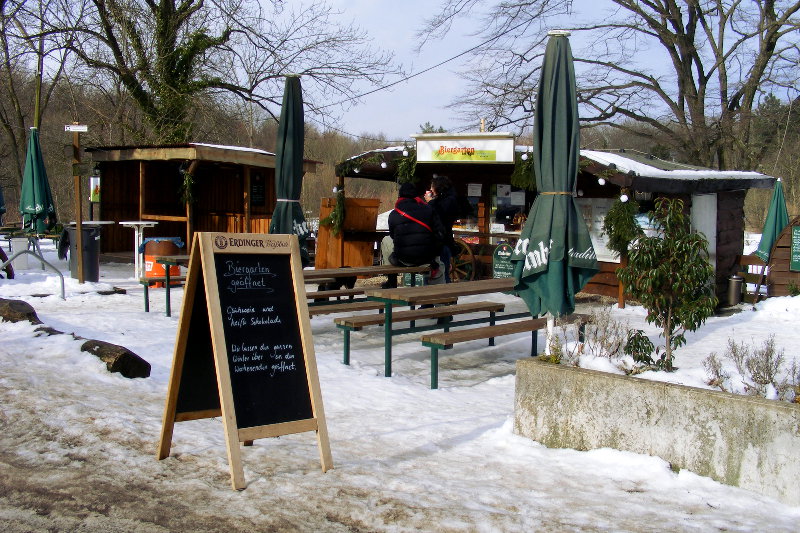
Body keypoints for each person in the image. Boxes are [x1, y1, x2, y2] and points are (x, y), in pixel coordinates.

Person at [380, 182, 445, 288]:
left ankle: (392, 280)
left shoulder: (394, 214)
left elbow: (393, 236)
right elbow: (440, 233)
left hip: (403, 259)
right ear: (416, 196)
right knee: (439, 266)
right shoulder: (429, 210)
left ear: (400, 197)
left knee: (386, 240)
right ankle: (440, 299)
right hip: (426, 259)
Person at [425, 176, 459, 282]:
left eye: (432, 188)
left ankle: (447, 297)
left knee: (443, 273)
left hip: (442, 242)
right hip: (443, 241)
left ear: (437, 189)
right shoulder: (446, 200)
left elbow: (438, 217)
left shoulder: (448, 202)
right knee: (442, 272)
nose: (430, 191)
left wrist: (430, 202)